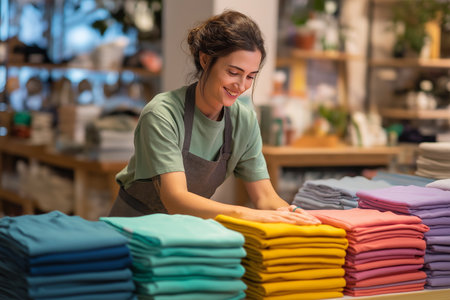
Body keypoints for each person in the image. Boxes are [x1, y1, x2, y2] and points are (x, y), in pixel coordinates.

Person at [108, 10, 320, 226]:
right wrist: (244, 213)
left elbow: (264, 197)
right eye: (233, 72)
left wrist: (293, 214)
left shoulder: (243, 121)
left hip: (184, 232)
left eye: (250, 77)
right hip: (132, 231)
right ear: (206, 60)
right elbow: (175, 200)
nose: (241, 86)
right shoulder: (163, 114)